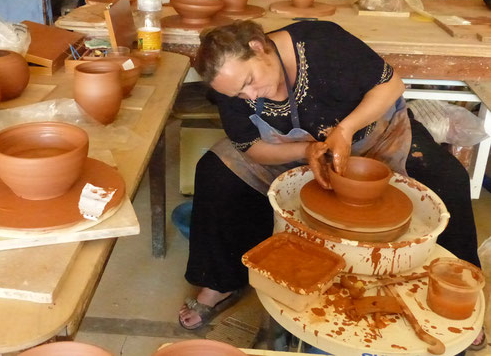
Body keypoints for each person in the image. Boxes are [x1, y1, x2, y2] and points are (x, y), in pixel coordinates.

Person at [178, 20, 483, 348]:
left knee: (447, 180)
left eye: (250, 81)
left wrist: (345, 130)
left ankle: (456, 293)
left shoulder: (321, 43)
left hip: (373, 136)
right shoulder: (230, 87)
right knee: (216, 172)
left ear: (257, 46)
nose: (249, 96)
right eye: (238, 93)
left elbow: (392, 86)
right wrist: (306, 150)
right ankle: (219, 282)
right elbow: (251, 147)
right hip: (291, 148)